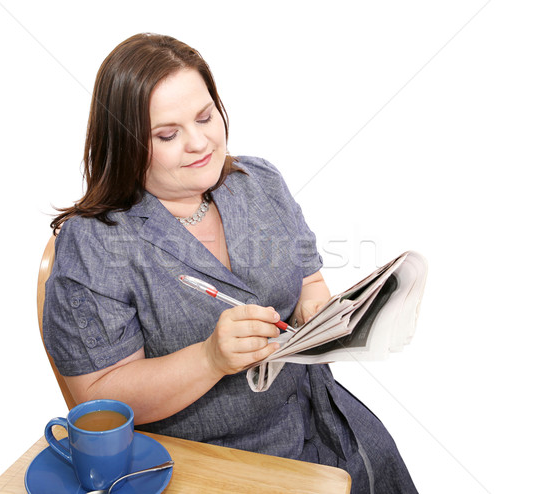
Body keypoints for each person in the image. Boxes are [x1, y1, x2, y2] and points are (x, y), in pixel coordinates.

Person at [43, 33, 418, 493]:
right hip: (202, 459)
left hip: (320, 420)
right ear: (124, 143)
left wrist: (318, 314)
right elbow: (97, 399)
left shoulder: (258, 183)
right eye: (167, 134)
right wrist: (209, 358)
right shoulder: (95, 243)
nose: (199, 142)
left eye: (205, 117)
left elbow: (309, 281)